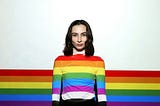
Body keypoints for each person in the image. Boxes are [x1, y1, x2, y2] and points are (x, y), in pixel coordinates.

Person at [52, 20, 107, 106]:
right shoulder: (60, 61)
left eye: (83, 35)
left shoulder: (98, 62)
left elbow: (101, 96)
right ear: (70, 37)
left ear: (88, 37)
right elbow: (55, 96)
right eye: (75, 35)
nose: (79, 39)